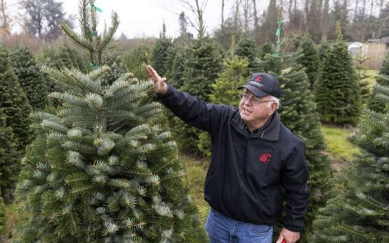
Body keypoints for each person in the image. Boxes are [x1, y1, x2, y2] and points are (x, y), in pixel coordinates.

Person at [146, 65, 310, 243]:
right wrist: (166, 92)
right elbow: (195, 109)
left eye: (255, 99)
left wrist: (292, 227)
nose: (246, 103)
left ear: (272, 107)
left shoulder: (289, 145)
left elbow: (297, 190)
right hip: (217, 221)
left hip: (255, 231)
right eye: (245, 96)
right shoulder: (225, 120)